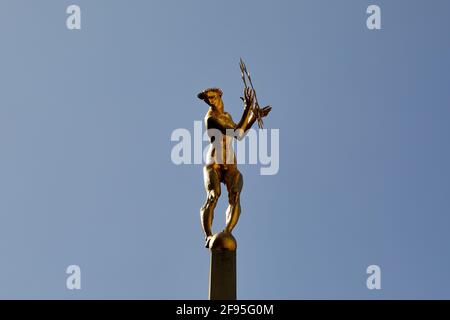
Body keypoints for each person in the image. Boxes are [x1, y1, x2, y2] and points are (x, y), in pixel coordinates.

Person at [197, 87, 271, 248]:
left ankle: (228, 231)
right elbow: (236, 133)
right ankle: (208, 235)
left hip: (230, 163)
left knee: (235, 194)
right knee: (213, 195)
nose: (210, 101)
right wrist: (247, 109)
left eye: (212, 97)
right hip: (214, 162)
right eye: (207, 99)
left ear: (219, 96)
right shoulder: (210, 118)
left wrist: (252, 116)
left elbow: (241, 133)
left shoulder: (227, 116)